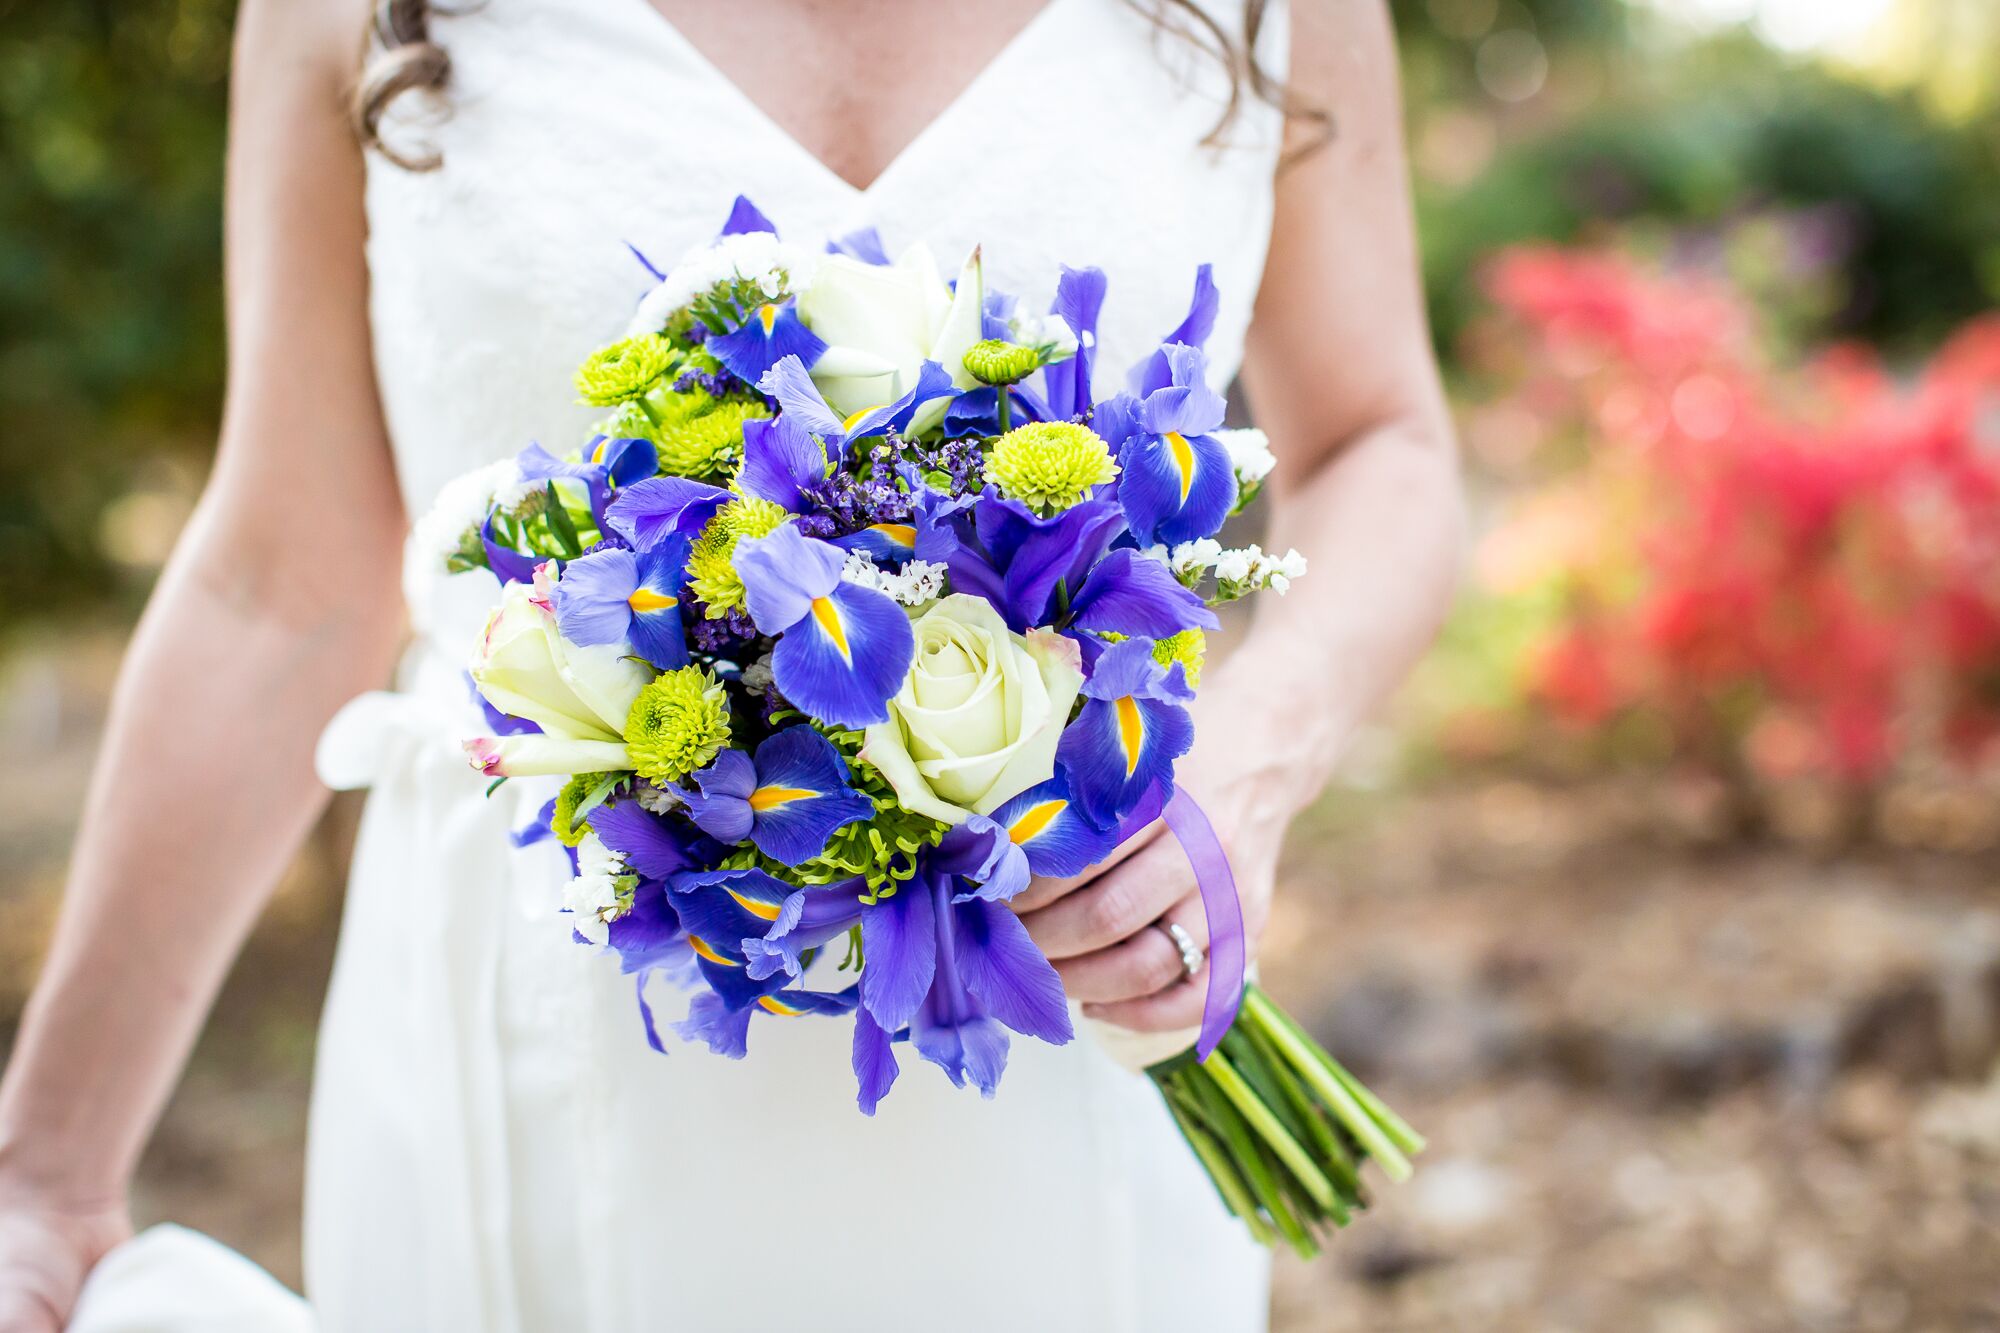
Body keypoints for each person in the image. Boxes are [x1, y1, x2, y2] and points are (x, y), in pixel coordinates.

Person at [0, 0, 1462, 1328]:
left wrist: (1250, 752)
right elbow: (279, 583)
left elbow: (1380, 439)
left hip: (1053, 991)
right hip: (536, 1030)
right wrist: (46, 1173)